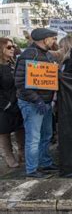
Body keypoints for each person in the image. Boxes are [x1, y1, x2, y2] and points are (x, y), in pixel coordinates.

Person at [14, 28, 59, 178]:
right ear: (44, 39)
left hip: (45, 103)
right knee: (33, 138)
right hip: (32, 103)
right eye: (52, 38)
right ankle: (32, 170)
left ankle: (45, 163)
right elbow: (20, 82)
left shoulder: (47, 54)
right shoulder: (29, 55)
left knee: (46, 135)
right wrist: (37, 99)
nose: (54, 41)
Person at [0, 38, 24, 168]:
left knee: (20, 129)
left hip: (18, 103)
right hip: (4, 107)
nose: (13, 48)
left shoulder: (13, 64)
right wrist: (6, 104)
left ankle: (22, 154)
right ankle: (9, 157)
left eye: (13, 46)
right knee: (4, 133)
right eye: (9, 47)